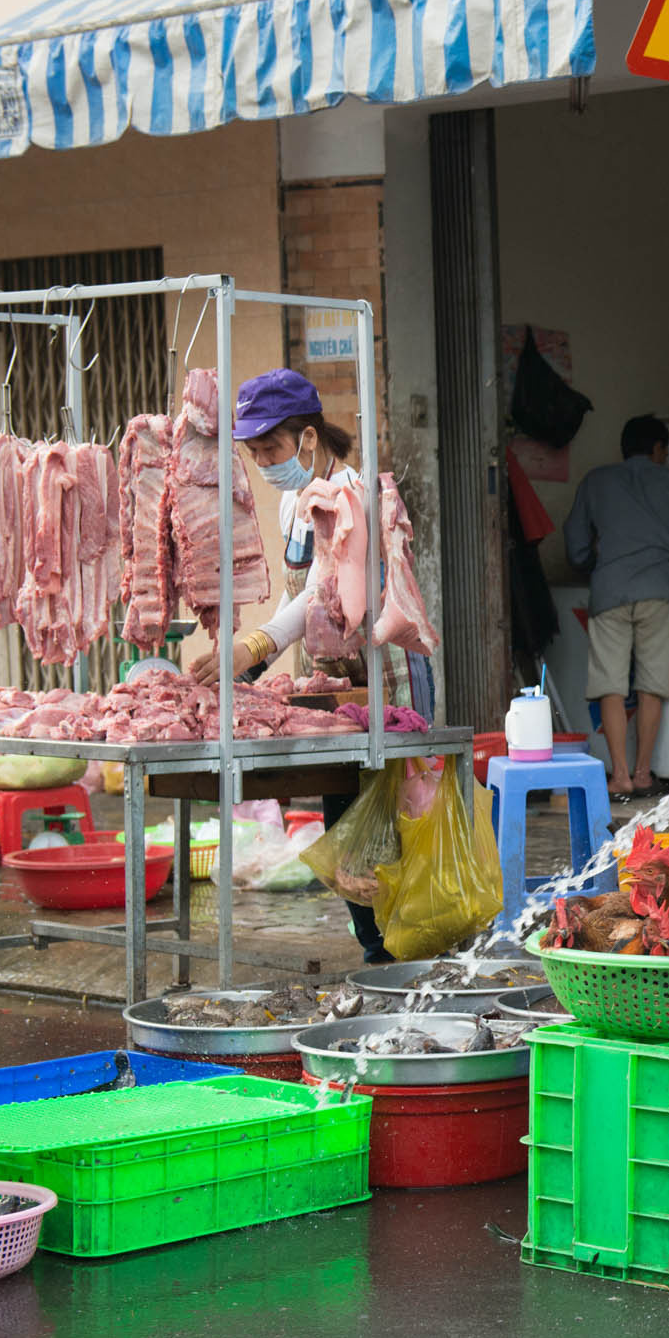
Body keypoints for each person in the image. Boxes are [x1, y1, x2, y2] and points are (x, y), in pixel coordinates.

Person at [188, 367, 418, 964]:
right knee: (346, 820)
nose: (265, 463)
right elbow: (303, 597)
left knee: (382, 820)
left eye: (273, 448)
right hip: (332, 682)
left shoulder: (353, 495)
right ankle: (378, 946)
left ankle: (397, 949)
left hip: (381, 677)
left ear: (309, 439)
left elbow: (321, 590)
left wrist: (256, 647)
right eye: (256, 451)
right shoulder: (297, 500)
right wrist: (254, 665)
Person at [563, 414, 669, 802]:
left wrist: (594, 564)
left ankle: (617, 775)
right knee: (652, 683)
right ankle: (641, 773)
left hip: (610, 591)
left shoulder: (596, 481)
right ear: (657, 449)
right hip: (659, 589)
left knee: (610, 684)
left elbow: (576, 545)